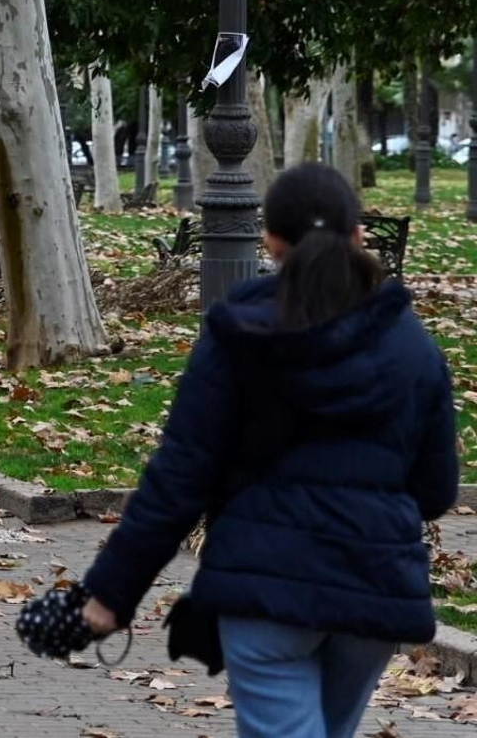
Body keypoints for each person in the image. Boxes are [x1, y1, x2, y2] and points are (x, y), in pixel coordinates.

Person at [80, 162, 456, 738]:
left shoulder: (239, 337)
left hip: (266, 590)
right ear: (358, 235)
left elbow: (180, 478)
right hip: (374, 591)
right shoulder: (415, 349)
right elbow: (435, 491)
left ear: (270, 242)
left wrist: (112, 592)